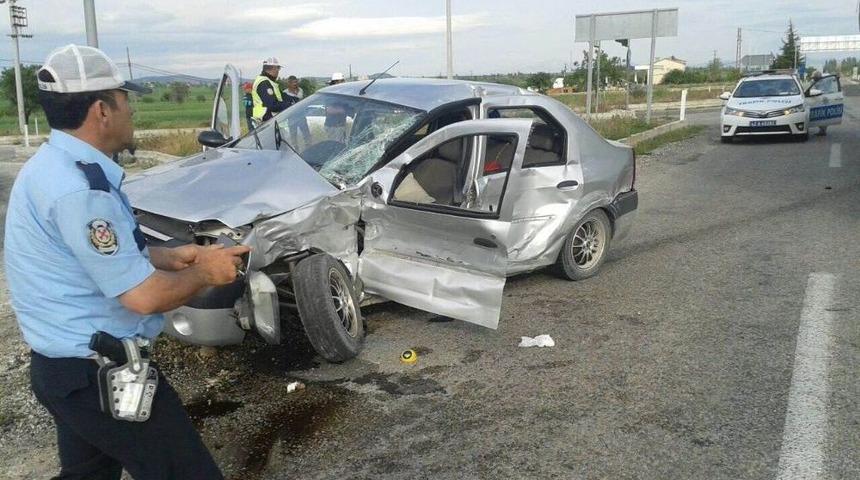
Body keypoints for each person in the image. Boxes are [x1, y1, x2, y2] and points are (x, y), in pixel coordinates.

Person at [4, 44, 250, 480]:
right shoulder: (81, 190)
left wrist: (168, 256)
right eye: (125, 99)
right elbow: (141, 297)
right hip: (99, 376)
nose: (132, 111)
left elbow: (83, 259)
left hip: (64, 370)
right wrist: (205, 272)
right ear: (102, 109)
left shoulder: (53, 166)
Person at [251, 57, 291, 123]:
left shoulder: (269, 82)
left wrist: (296, 100)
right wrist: (289, 104)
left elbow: (282, 96)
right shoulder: (264, 83)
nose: (278, 71)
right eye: (278, 68)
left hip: (270, 120)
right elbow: (271, 105)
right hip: (267, 122)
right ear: (272, 68)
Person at [283, 75, 311, 147]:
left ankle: (309, 147)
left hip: (301, 116)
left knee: (306, 134)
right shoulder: (285, 93)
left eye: (296, 82)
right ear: (289, 83)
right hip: (292, 117)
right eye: (293, 82)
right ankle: (295, 149)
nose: (295, 84)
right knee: (293, 135)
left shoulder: (301, 90)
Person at [325, 72, 351, 143]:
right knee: (336, 146)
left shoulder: (340, 92)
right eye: (342, 81)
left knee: (342, 143)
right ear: (336, 81)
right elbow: (329, 110)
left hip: (340, 125)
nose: (343, 82)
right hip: (333, 126)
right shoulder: (331, 93)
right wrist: (343, 110)